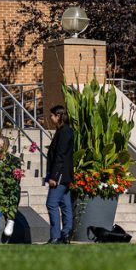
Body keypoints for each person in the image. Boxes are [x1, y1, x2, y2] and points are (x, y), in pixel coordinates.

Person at [45, 104, 75, 244]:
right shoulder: (63, 131)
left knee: (51, 203)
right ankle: (66, 235)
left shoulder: (64, 132)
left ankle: (56, 236)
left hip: (60, 174)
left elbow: (60, 155)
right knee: (65, 204)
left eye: (52, 115)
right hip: (64, 174)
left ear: (58, 116)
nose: (50, 118)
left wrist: (54, 176)